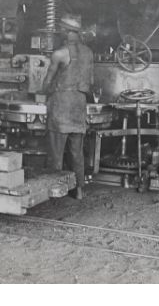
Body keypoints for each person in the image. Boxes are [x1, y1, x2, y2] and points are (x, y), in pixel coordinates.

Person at [42, 14, 94, 200]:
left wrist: (45, 91)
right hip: (79, 105)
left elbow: (47, 82)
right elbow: (91, 80)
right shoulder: (89, 53)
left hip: (62, 105)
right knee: (76, 153)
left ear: (64, 31)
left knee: (56, 153)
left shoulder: (60, 53)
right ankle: (79, 190)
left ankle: (55, 191)